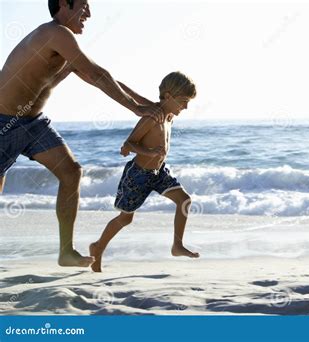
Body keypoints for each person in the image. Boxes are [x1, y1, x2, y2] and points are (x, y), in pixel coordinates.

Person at [0, 0, 163, 267]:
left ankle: (66, 252)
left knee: (71, 172)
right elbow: (95, 74)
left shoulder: (66, 44)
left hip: (33, 124)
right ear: (64, 4)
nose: (89, 13)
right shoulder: (54, 33)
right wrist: (136, 109)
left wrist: (147, 106)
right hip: (3, 121)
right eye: (84, 5)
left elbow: (104, 77)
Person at [89, 72, 199, 272]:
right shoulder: (151, 119)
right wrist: (148, 151)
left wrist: (123, 86)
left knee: (184, 200)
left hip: (159, 173)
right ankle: (97, 247)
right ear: (168, 96)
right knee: (125, 218)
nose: (185, 107)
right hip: (138, 174)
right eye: (183, 101)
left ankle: (177, 245)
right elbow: (128, 145)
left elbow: (142, 99)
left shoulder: (168, 115)